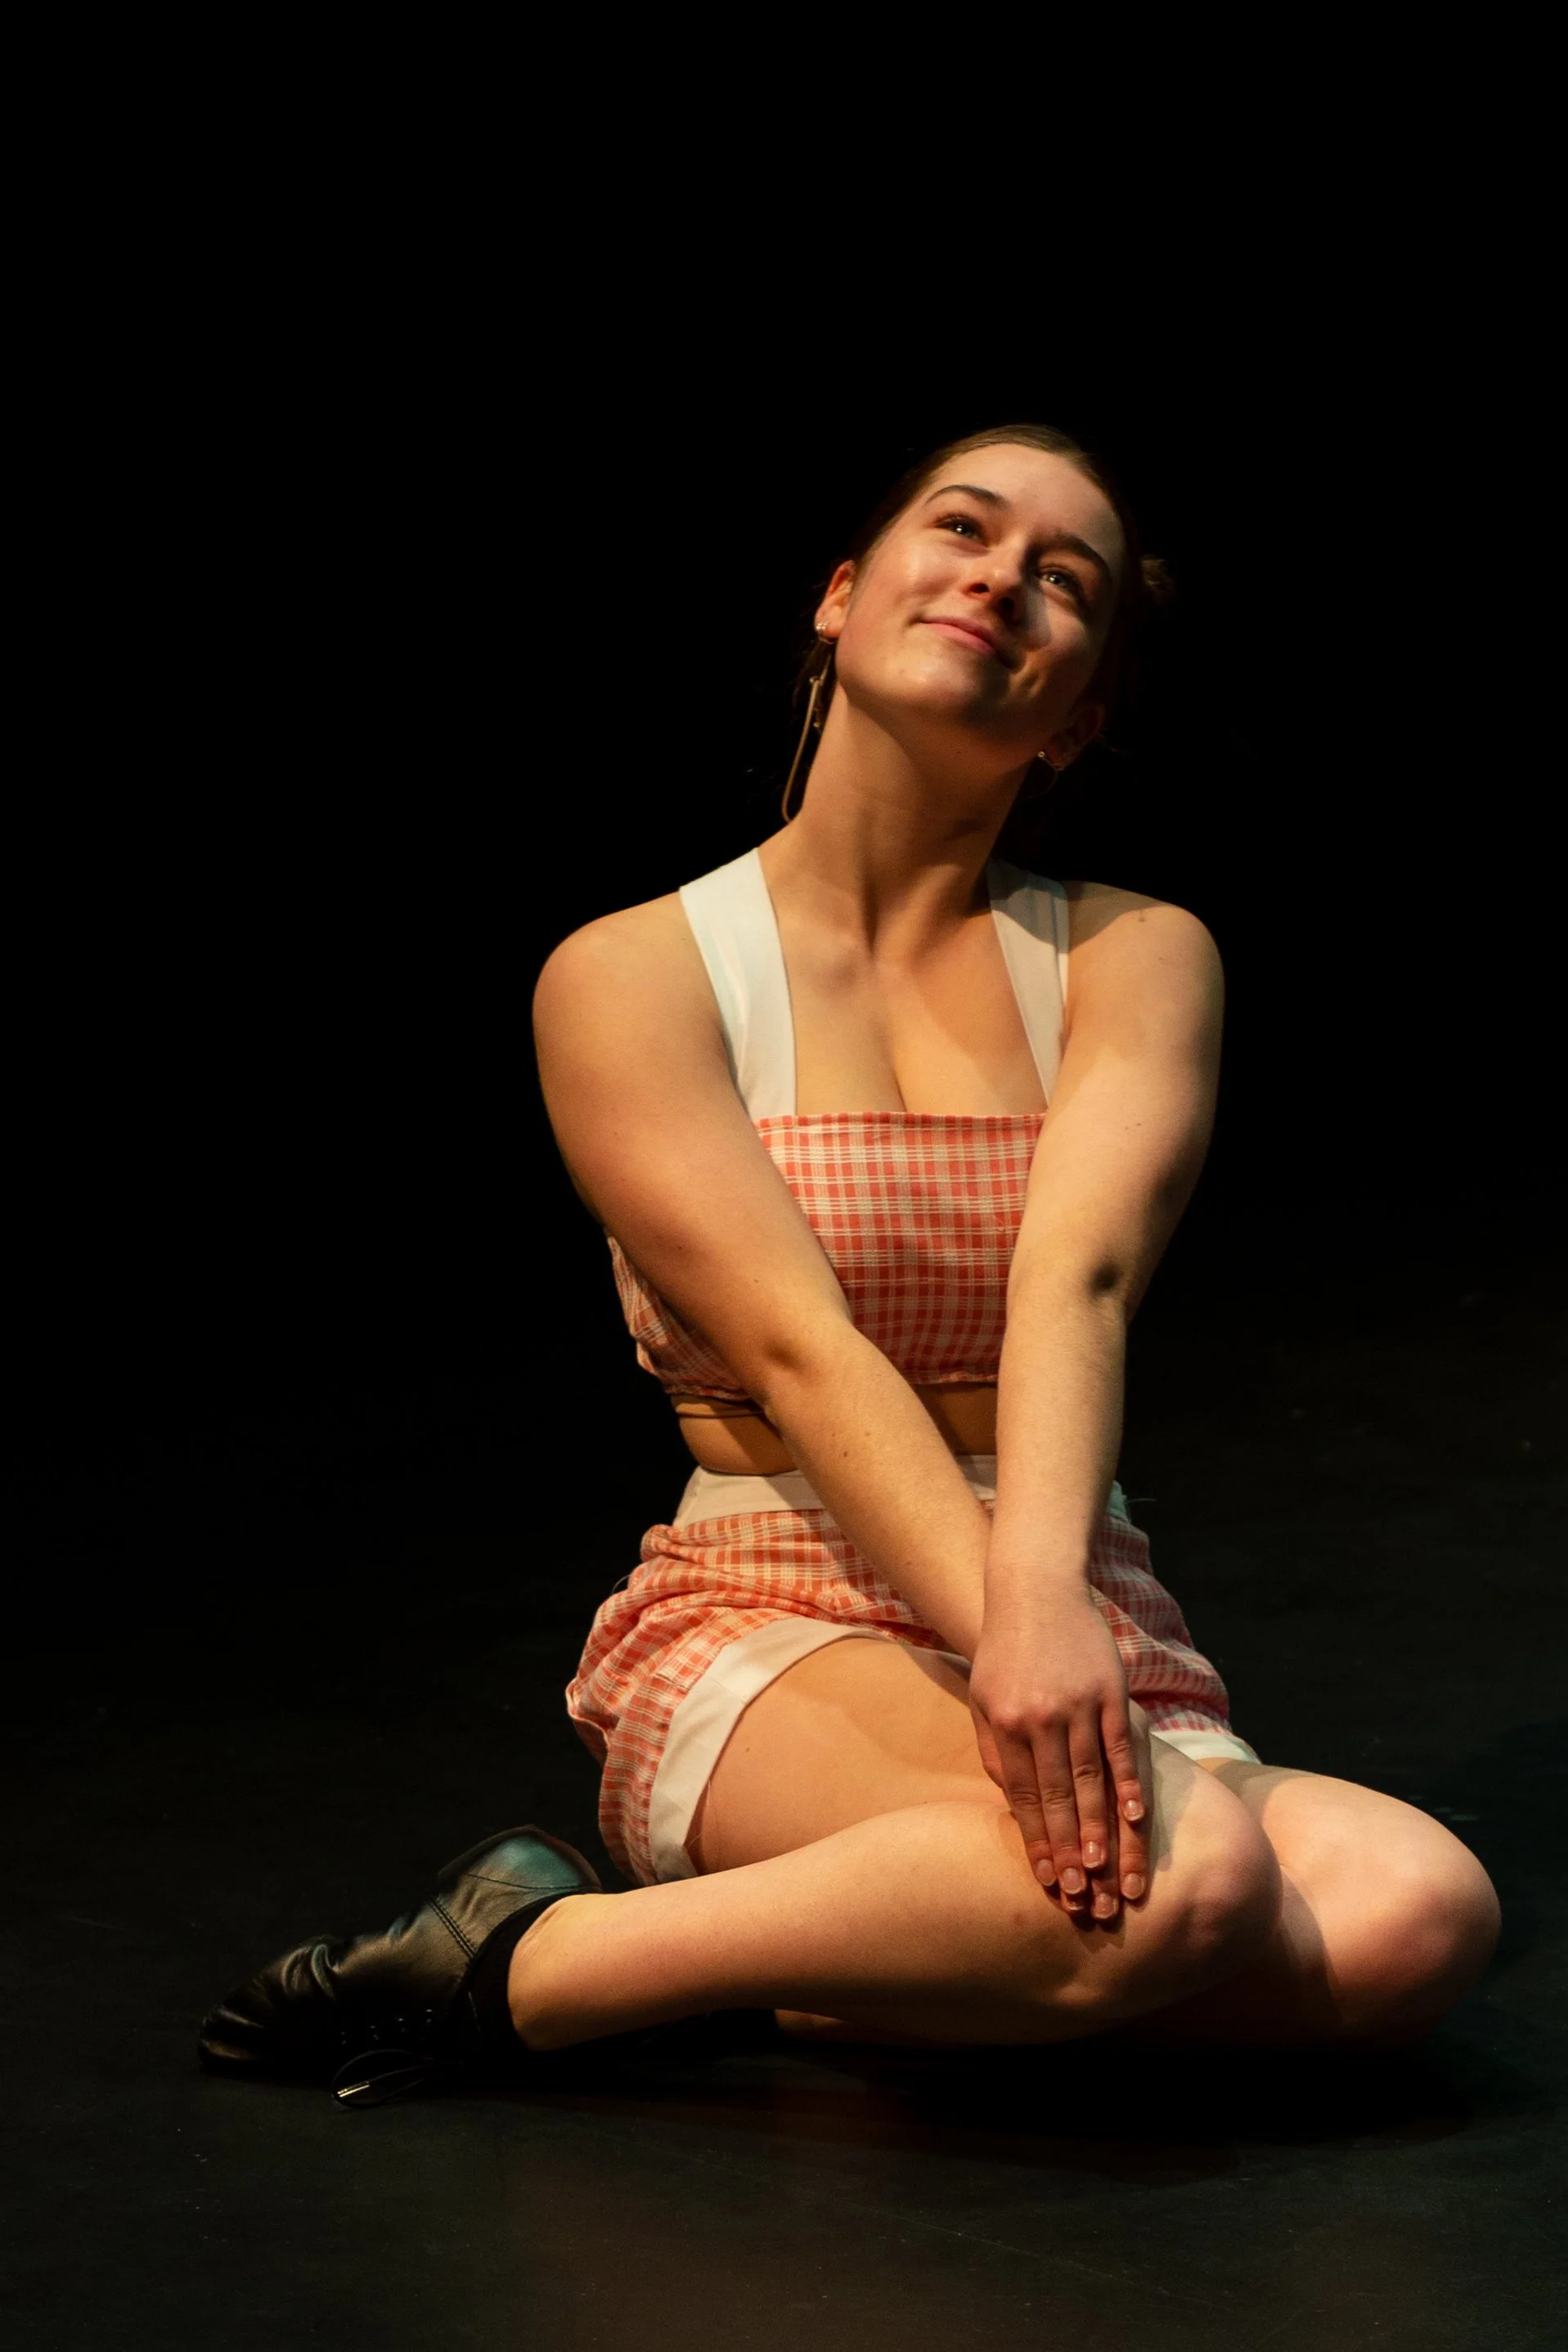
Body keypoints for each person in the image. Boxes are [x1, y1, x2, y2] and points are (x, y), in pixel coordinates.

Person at [200, 425, 1498, 2106]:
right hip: (771, 1596)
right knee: (1188, 1888)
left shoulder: (1134, 955)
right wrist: (1012, 1626)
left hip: (1064, 1581)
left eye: (1064, 581)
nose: (1000, 578)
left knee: (1414, 1919)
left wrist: (1046, 1610)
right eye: (964, 528)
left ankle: (695, 1970)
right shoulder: (634, 974)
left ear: (1083, 704)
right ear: (841, 594)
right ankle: (542, 1960)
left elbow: (1078, 1288)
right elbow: (801, 1353)